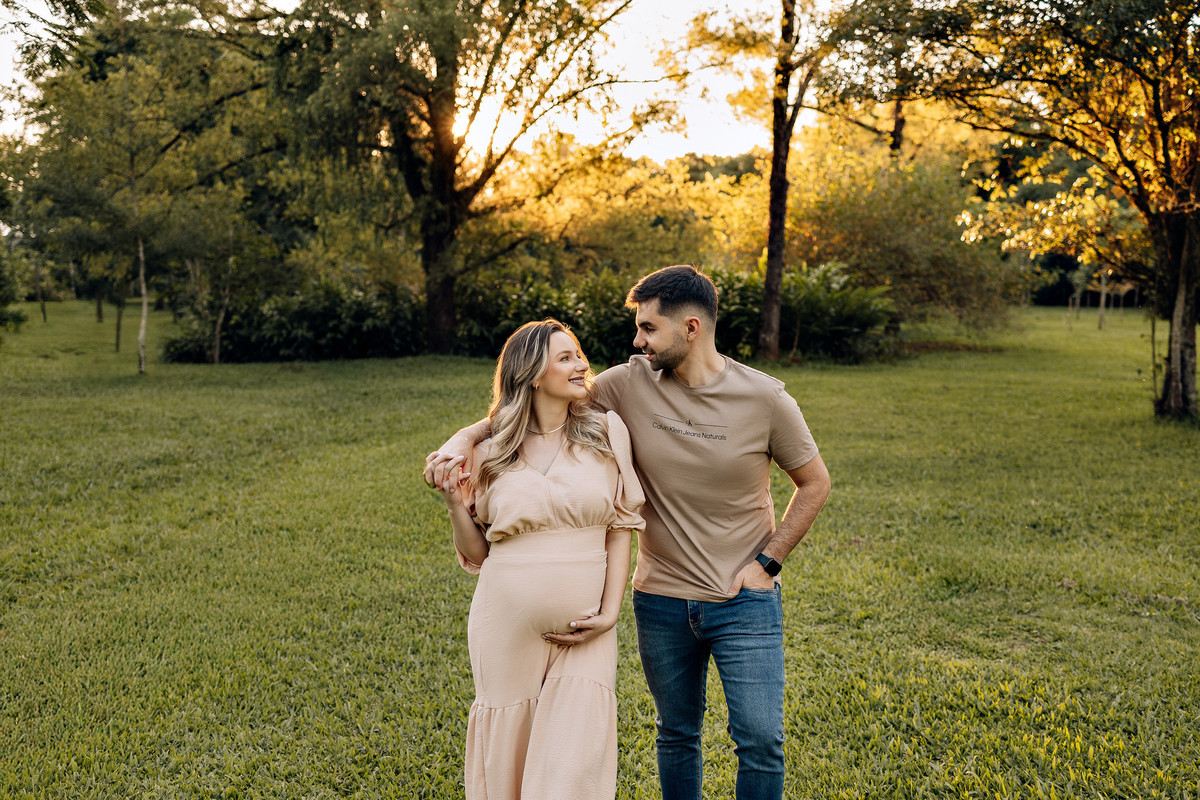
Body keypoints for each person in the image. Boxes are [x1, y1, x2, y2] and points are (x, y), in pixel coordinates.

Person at [426, 265, 831, 800]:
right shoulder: (625, 384)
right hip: (661, 599)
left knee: (760, 740)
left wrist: (768, 564)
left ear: (690, 328)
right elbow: (527, 406)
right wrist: (463, 438)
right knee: (676, 734)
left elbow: (815, 483)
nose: (636, 340)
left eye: (647, 328)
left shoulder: (765, 398)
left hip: (743, 600)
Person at [432, 318, 645, 800]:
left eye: (578, 355)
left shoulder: (607, 433)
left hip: (587, 629)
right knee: (509, 756)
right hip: (504, 626)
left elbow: (620, 527)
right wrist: (453, 505)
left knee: (573, 759)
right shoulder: (489, 453)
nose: (581, 365)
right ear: (532, 373)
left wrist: (610, 613)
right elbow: (478, 554)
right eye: (565, 357)